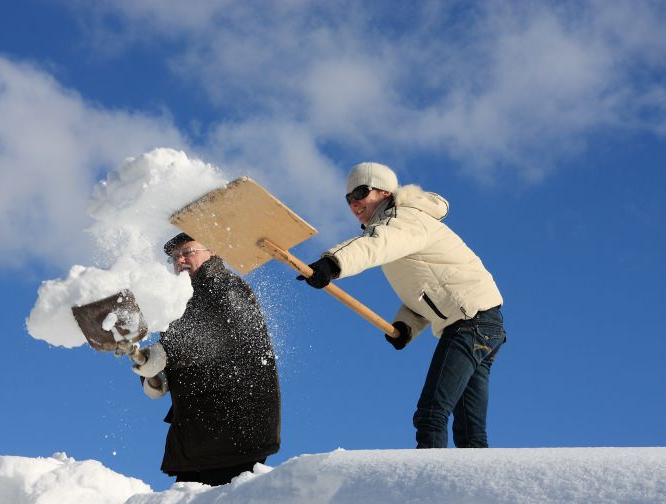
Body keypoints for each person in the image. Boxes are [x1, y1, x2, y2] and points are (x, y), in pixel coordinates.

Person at [298, 162, 506, 449]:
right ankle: (475, 489)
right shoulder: (400, 227)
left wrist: (332, 263)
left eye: (360, 192)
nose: (354, 203)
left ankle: (428, 487)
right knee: (470, 432)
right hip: (483, 324)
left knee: (431, 415)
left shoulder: (403, 220)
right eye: (349, 198)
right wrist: (406, 326)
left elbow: (375, 245)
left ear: (384, 192)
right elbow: (426, 289)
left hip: (470, 323)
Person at [133, 232, 280, 485]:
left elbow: (230, 335)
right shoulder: (177, 303)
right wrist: (158, 378)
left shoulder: (227, 285)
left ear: (212, 252)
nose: (180, 261)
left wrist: (163, 354)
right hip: (195, 437)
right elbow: (177, 357)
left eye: (187, 252)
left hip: (235, 432)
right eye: (175, 257)